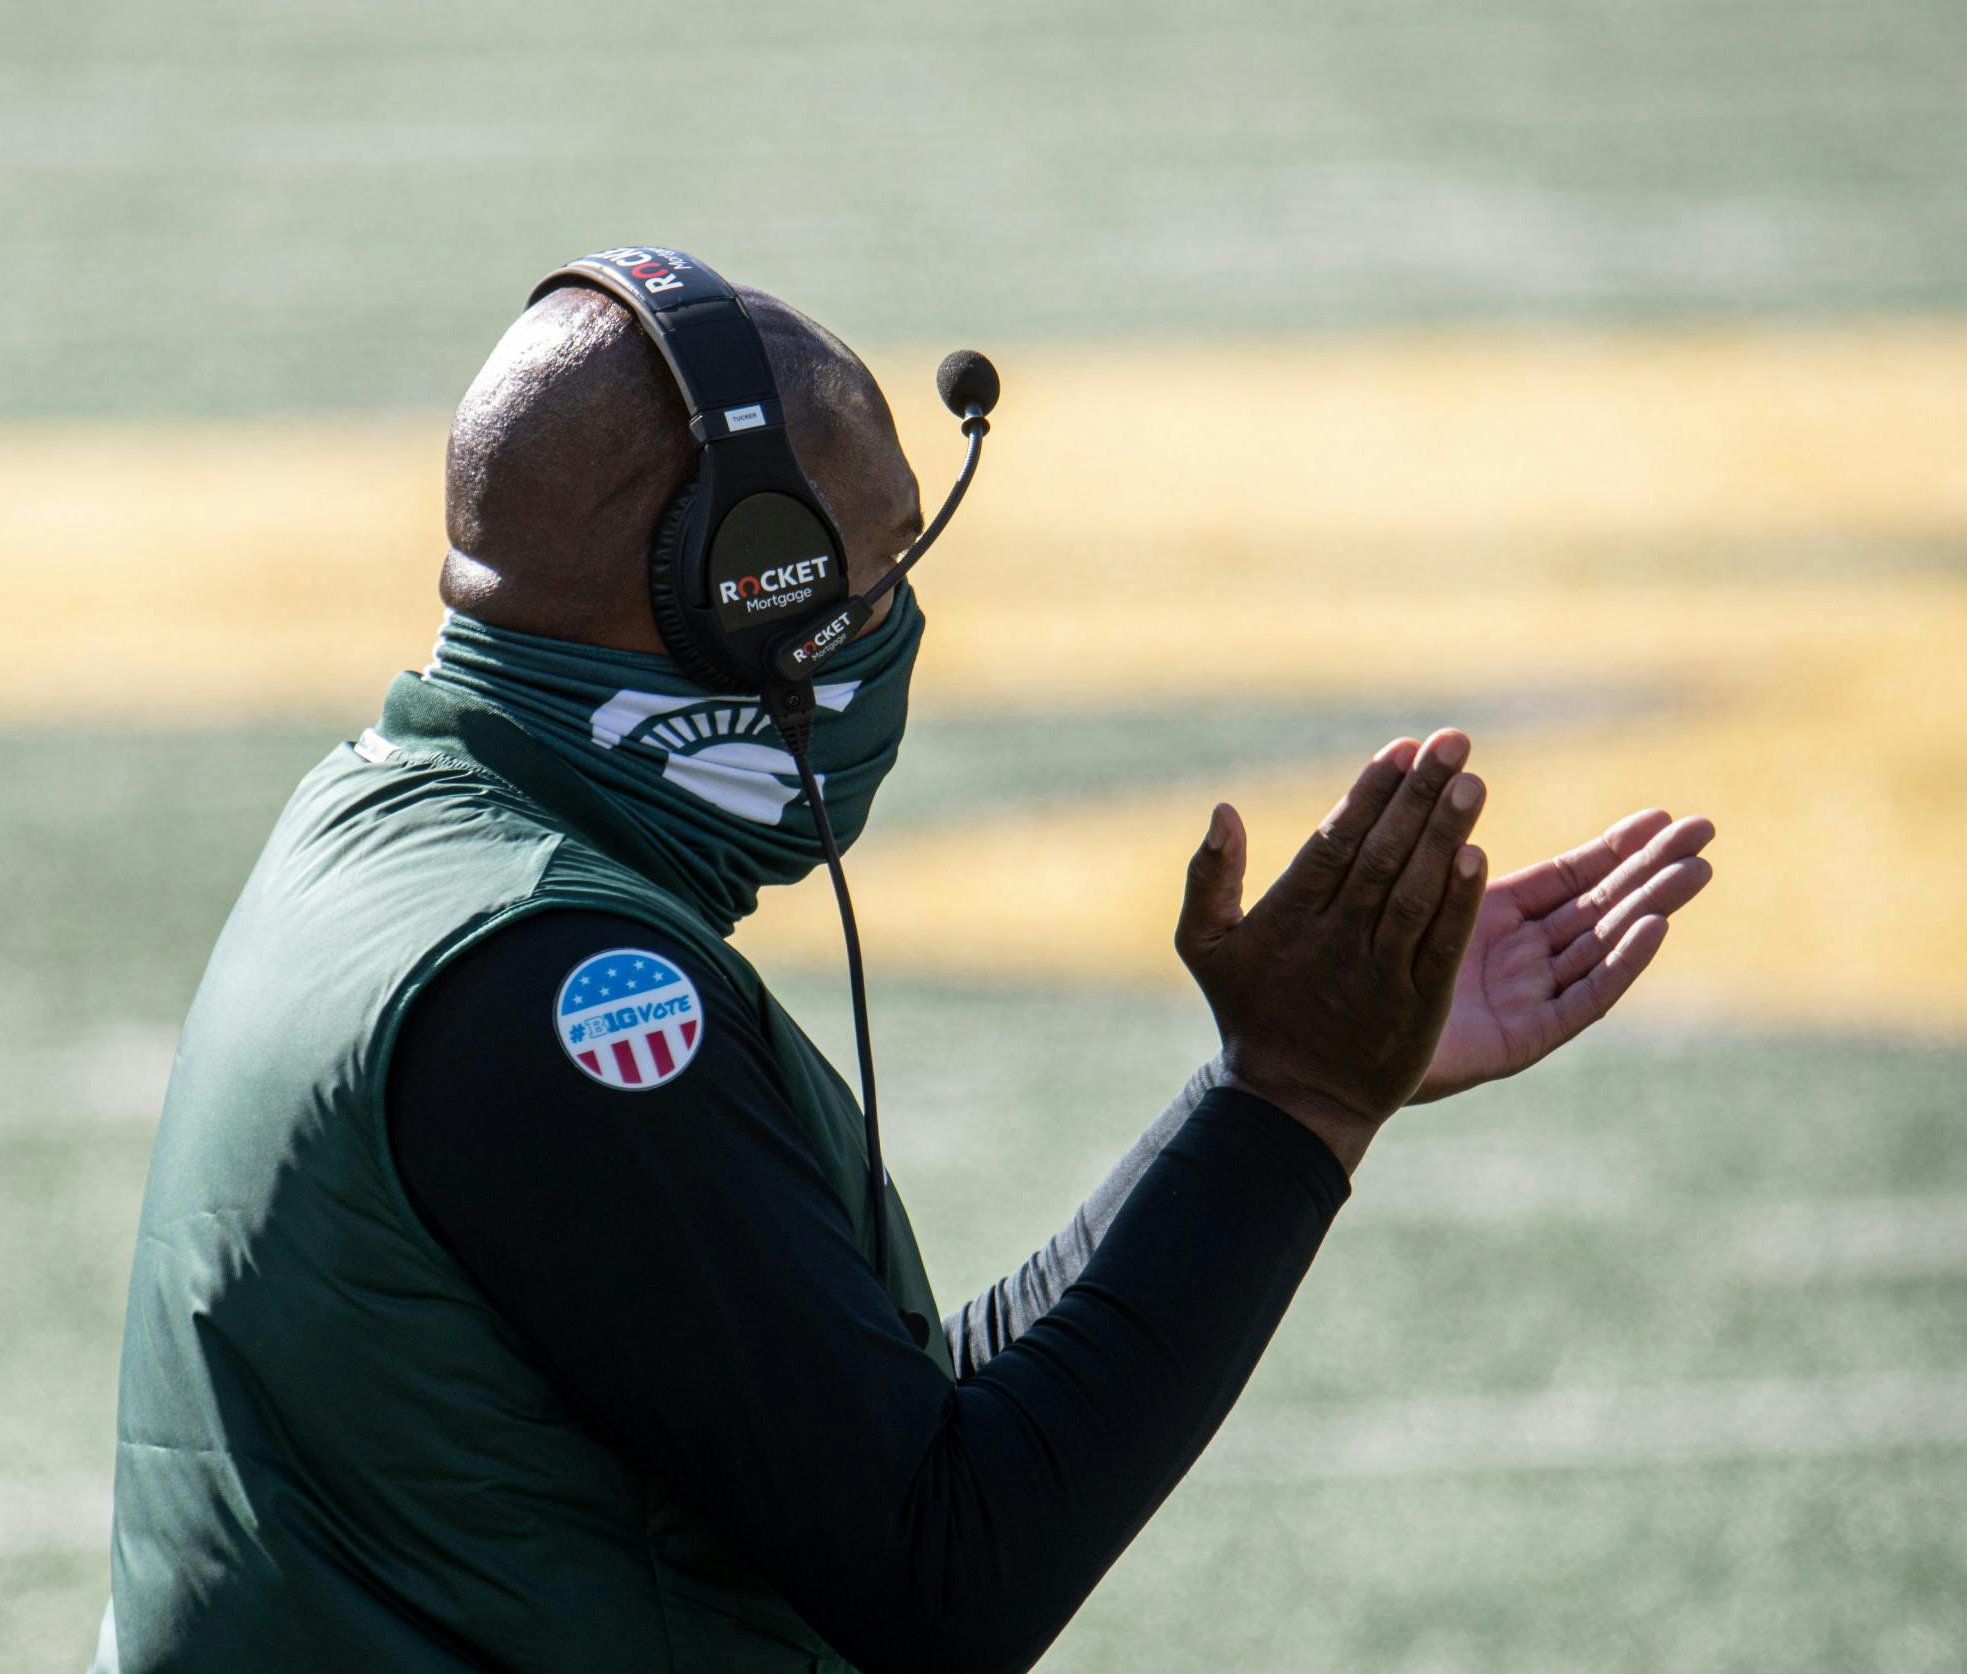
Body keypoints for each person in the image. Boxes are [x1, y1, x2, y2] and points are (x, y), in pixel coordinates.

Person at [92, 277, 1715, 1674]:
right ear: (752, 608)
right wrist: (1301, 1105)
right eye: (869, 577)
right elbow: (944, 1574)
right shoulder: (561, 992)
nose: (896, 626)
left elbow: (859, 1414)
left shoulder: (388, 819)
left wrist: (1262, 1097)